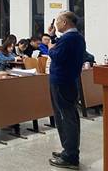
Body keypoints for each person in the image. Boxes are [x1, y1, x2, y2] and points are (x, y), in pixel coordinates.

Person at [48, 11, 85, 169]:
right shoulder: (77, 37)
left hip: (61, 82)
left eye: (58, 21)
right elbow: (62, 50)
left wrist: (50, 47)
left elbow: (57, 55)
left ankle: (70, 156)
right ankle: (68, 150)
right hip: (69, 81)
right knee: (69, 116)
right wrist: (53, 37)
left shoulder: (68, 39)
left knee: (65, 118)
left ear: (65, 23)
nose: (56, 24)